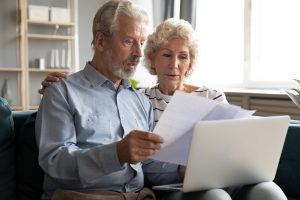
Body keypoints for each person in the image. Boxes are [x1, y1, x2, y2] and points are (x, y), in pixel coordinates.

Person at [37, 3, 288, 200]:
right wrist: (116, 153)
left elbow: (150, 165)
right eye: (129, 41)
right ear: (100, 41)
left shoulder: (138, 101)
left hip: (140, 196)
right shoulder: (62, 92)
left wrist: (184, 170)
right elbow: (54, 162)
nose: (137, 52)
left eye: (141, 43)